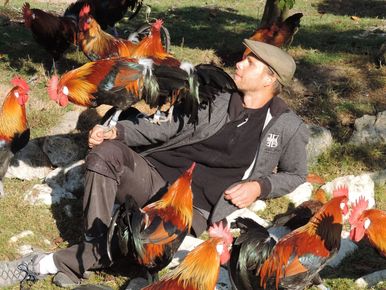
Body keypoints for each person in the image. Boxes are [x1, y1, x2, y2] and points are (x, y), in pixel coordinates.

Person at [0, 39, 309, 288]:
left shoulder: (287, 127)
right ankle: (94, 241)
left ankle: (46, 264)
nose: (238, 64)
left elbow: (296, 174)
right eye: (242, 57)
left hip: (191, 207)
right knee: (105, 153)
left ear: (270, 78)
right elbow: (163, 127)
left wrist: (260, 185)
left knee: (144, 242)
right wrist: (116, 131)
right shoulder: (216, 98)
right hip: (152, 175)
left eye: (250, 62)